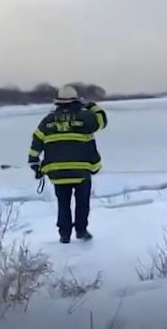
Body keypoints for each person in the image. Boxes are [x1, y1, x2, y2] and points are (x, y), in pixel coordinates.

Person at [27, 85, 108, 243]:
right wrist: (91, 105)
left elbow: (37, 140)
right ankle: (81, 231)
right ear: (76, 101)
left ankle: (64, 234)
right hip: (81, 170)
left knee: (63, 204)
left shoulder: (48, 120)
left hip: (57, 172)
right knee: (82, 203)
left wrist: (34, 162)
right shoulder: (85, 118)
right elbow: (102, 120)